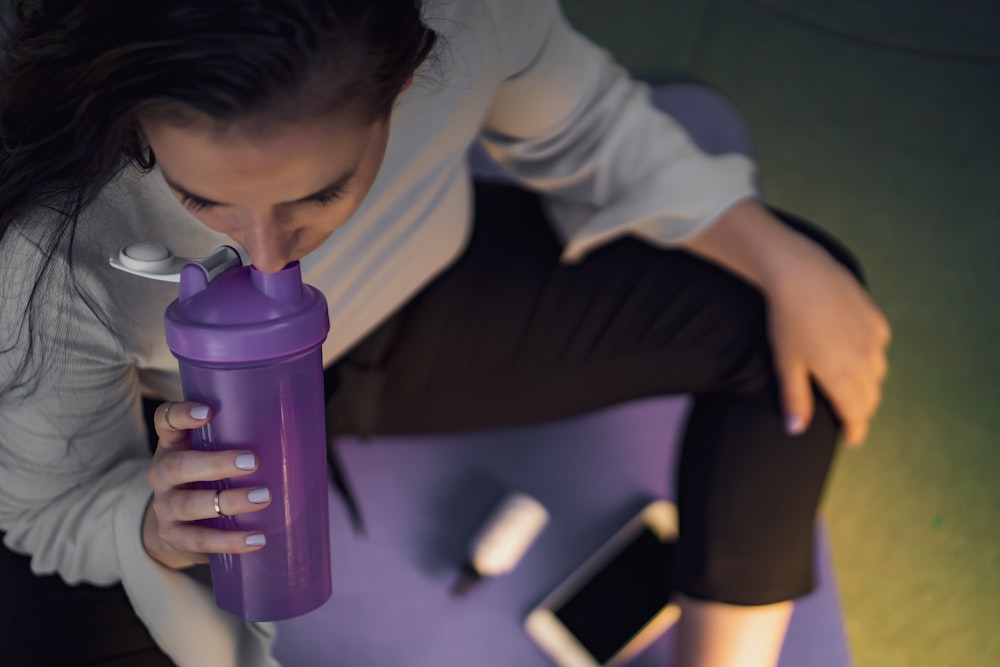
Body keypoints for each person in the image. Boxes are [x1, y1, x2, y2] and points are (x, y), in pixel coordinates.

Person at [0, 1, 890, 666]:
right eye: (202, 200)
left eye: (320, 192)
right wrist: (151, 524)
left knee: (793, 304)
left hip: (414, 315)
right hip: (181, 428)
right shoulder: (49, 246)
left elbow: (587, 122)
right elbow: (46, 510)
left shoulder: (468, 11)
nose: (267, 262)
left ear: (410, 71)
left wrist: (782, 260)